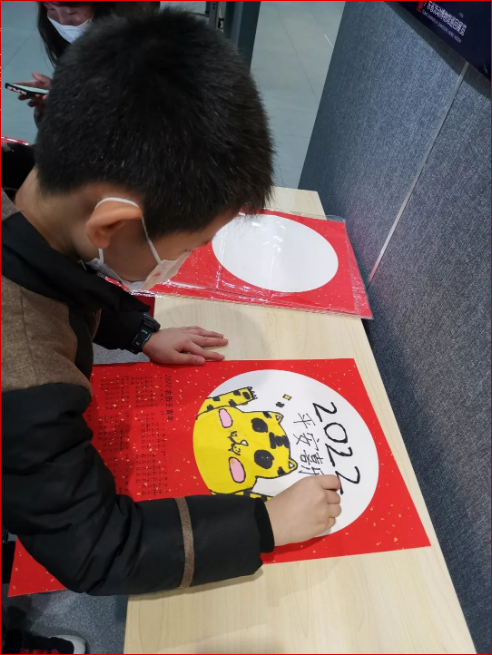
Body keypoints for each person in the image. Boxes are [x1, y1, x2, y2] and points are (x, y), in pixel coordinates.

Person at [1, 9, 341, 595]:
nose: (182, 261)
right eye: (187, 247)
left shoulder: (27, 186)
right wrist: (263, 522)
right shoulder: (24, 373)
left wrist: (139, 332)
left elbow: (59, 275)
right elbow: (97, 549)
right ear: (112, 225)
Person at [16, 2, 160, 119]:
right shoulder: (81, 47)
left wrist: (69, 103)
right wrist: (59, 91)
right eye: (51, 8)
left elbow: (134, 118)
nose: (62, 21)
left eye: (71, 13)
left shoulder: (143, 54)